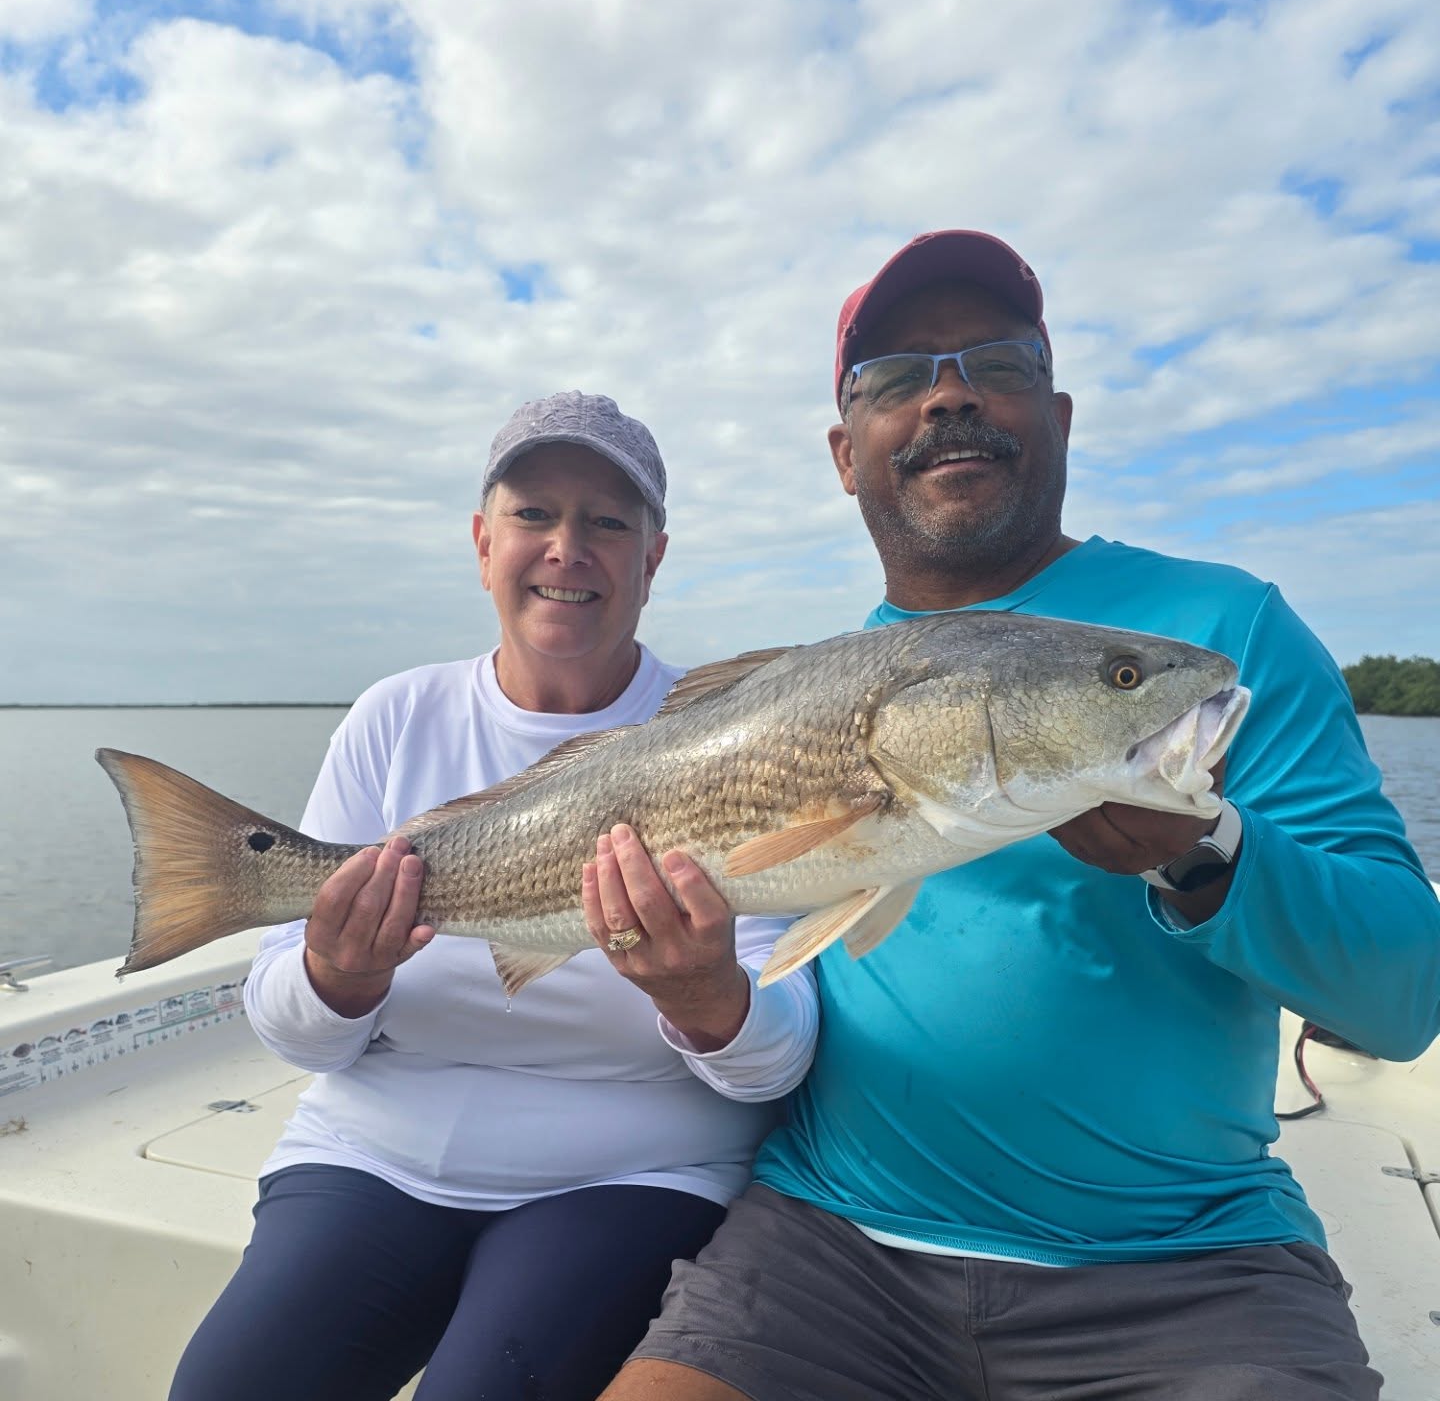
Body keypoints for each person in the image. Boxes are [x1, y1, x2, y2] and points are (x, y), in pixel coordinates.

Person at [599, 231, 1440, 1401]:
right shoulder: (811, 692)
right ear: (847, 456)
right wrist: (696, 992)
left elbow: (1405, 999)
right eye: (896, 377)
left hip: (1189, 1269)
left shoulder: (1218, 636)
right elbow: (776, 971)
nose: (947, 393)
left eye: (995, 360)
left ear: (1059, 413)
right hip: (828, 1244)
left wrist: (1210, 857)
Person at [167, 392, 818, 1401]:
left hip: (635, 1166)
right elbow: (295, 1035)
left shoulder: (735, 730)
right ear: (483, 544)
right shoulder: (394, 716)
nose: (569, 548)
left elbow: (775, 1063)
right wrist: (336, 974)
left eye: (609, 522)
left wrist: (705, 999)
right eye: (534, 515)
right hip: (371, 1154)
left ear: (651, 560)